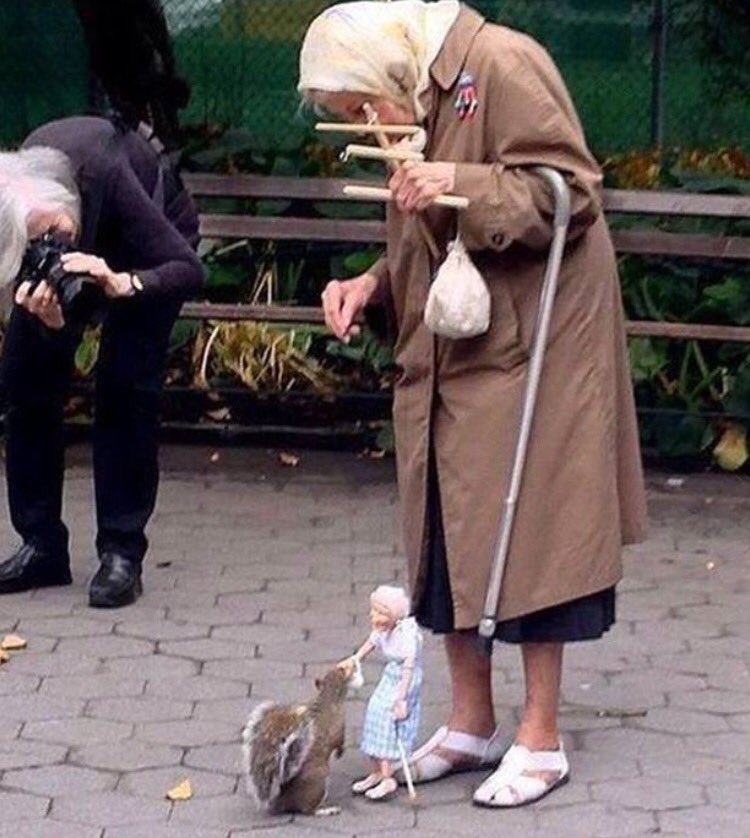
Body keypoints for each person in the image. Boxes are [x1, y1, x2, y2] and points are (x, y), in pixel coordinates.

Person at [299, 0, 647, 808]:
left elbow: (572, 193)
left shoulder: (501, 63)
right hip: (458, 346)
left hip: (541, 345)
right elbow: (430, 245)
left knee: (537, 532)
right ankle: (469, 722)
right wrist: (372, 286)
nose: (363, 122)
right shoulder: (417, 101)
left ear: (392, 68)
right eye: (348, 117)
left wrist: (461, 180)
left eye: (360, 106)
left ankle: (541, 738)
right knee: (446, 526)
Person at [0, 115, 203, 608]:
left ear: (64, 202)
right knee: (23, 379)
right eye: (36, 245)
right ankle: (41, 544)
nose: (54, 247)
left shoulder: (106, 173)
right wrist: (48, 325)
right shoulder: (12, 201)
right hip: (59, 246)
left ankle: (121, 552)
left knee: (126, 387)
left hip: (150, 251)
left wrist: (125, 283)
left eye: (55, 232)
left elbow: (187, 269)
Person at [338, 585, 423, 802]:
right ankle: (375, 770)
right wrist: (355, 659)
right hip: (391, 676)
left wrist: (401, 697)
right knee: (374, 714)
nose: (373, 616)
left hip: (404, 680)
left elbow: (408, 668)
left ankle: (387, 777)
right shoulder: (383, 631)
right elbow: (370, 644)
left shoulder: (406, 636)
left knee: (388, 722)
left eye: (379, 612)